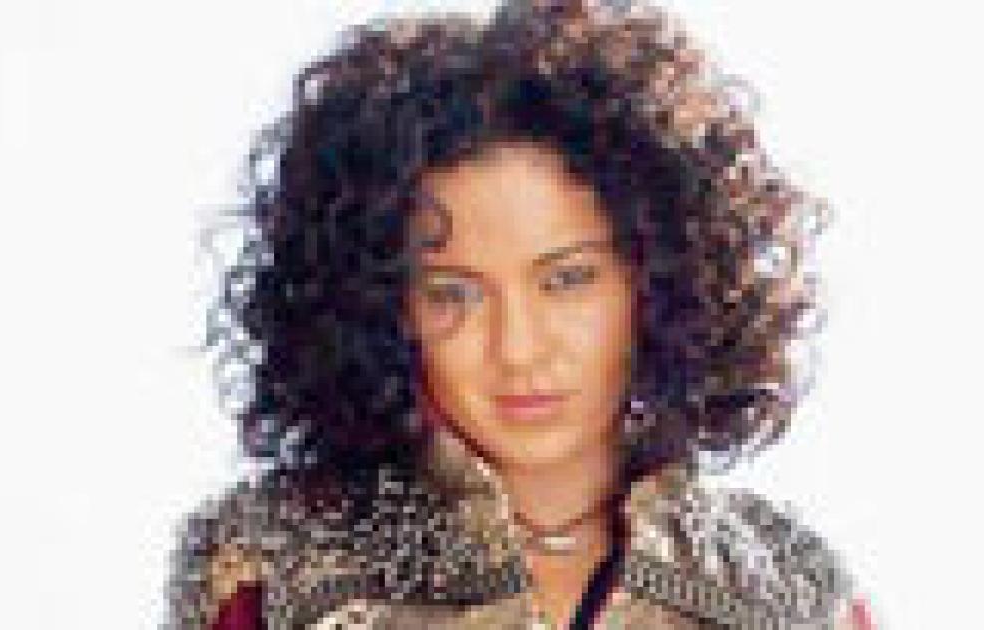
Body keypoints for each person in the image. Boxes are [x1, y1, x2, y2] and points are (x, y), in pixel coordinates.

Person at [165, 0, 872, 627]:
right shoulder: (275, 577)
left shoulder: (789, 599)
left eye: (567, 280)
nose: (519, 348)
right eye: (454, 293)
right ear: (379, 308)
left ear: (661, 282)